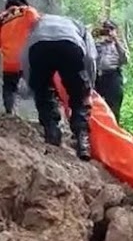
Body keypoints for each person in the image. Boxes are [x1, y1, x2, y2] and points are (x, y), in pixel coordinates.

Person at [20, 14, 97, 161]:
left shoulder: (38, 25)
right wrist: (88, 87)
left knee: (43, 93)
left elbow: (25, 55)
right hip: (70, 46)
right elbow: (91, 57)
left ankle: (52, 133)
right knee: (78, 96)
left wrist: (33, 84)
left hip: (39, 47)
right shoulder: (78, 25)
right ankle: (83, 143)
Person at [91, 19, 129, 123]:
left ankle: (114, 130)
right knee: (95, 105)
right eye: (106, 29)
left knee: (114, 107)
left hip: (113, 77)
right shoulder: (97, 44)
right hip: (99, 77)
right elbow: (90, 58)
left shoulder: (119, 45)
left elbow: (125, 60)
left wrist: (115, 40)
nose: (108, 32)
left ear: (115, 30)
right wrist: (93, 36)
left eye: (111, 29)